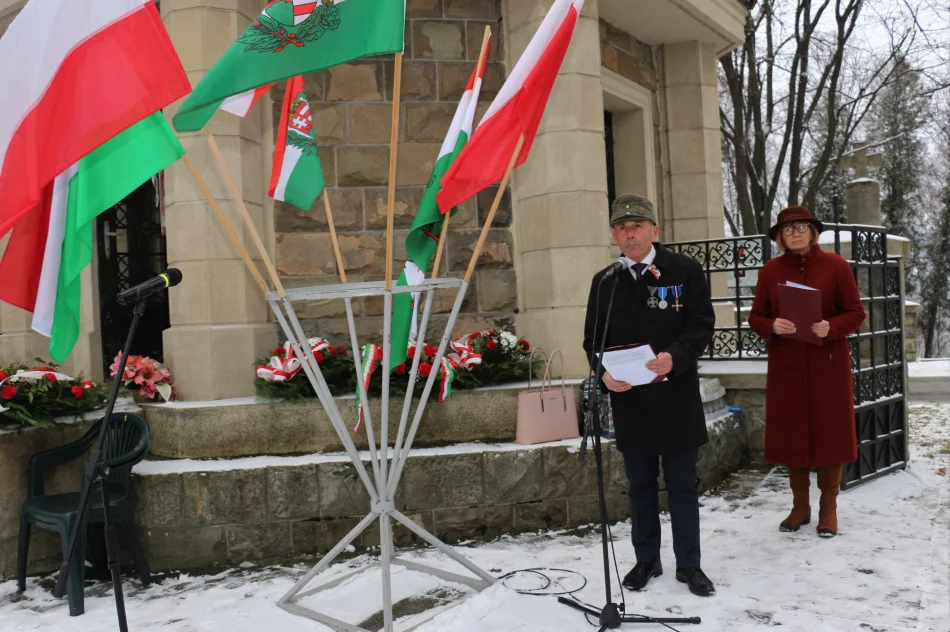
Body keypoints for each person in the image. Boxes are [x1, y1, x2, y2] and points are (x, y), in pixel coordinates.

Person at [583, 194, 716, 597]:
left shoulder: (684, 270)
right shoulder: (606, 281)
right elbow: (592, 339)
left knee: (681, 486)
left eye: (637, 226)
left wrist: (674, 357)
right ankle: (647, 560)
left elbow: (701, 325)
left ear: (654, 231)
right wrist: (604, 373)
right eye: (622, 228)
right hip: (632, 402)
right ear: (614, 235)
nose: (629, 234)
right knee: (639, 486)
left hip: (675, 399)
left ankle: (689, 565)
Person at [748, 206, 865, 538]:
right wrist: (773, 325)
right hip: (787, 365)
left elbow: (856, 312)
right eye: (787, 229)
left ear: (813, 232)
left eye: (801, 227)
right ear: (780, 238)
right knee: (792, 434)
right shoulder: (770, 271)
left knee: (831, 434)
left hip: (828, 363)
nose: (795, 232)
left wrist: (831, 326)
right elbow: (756, 317)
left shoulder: (836, 267)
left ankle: (829, 507)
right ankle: (800, 506)